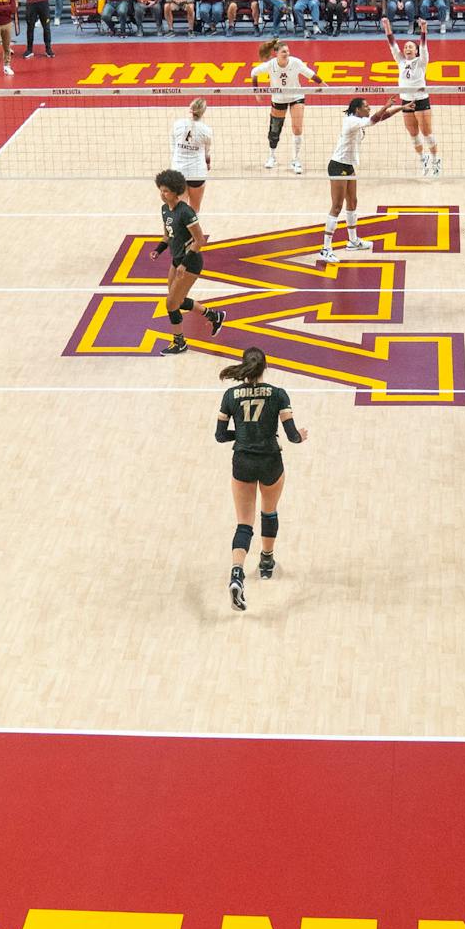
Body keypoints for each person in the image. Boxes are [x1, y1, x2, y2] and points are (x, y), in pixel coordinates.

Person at [215, 346, 305, 612]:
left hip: (242, 461)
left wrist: (242, 435)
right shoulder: (278, 395)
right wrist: (301, 434)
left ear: (244, 367)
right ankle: (266, 561)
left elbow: (220, 436)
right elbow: (292, 436)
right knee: (269, 512)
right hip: (270, 462)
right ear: (266, 367)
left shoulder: (230, 395)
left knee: (244, 524)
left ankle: (236, 574)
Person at [151, 167, 228, 356]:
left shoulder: (186, 212)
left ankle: (180, 343)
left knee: (171, 304)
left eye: (166, 191)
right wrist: (158, 250)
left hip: (190, 263)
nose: (162, 194)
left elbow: (199, 240)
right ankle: (213, 315)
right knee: (176, 300)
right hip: (176, 260)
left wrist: (184, 263)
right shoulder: (164, 210)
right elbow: (167, 235)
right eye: (161, 190)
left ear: (176, 191)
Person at [321, 95, 403, 263]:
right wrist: (385, 104)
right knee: (337, 207)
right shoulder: (351, 121)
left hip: (348, 166)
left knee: (352, 202)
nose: (369, 108)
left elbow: (380, 118)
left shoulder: (358, 119)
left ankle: (353, 241)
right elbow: (374, 119)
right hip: (338, 166)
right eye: (366, 106)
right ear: (357, 109)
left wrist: (401, 108)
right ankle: (325, 248)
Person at [250, 38, 317, 174]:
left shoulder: (295, 62)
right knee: (275, 129)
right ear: (276, 53)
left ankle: (296, 159)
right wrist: (256, 92)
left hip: (296, 97)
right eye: (283, 51)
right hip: (278, 98)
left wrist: (326, 87)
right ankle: (272, 156)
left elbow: (311, 75)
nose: (287, 53)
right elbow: (254, 73)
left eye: (288, 51)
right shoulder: (270, 65)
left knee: (297, 128)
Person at [382, 16, 438, 176]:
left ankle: (435, 160)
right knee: (413, 134)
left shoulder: (422, 61)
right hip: (405, 100)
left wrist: (424, 29)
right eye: (406, 46)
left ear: (416, 51)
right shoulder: (400, 61)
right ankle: (423, 160)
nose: (407, 48)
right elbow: (392, 44)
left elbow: (424, 46)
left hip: (421, 100)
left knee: (426, 133)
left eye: (410, 47)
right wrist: (387, 25)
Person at [170, 95, 215, 213]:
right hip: (197, 172)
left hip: (178, 171)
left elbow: (173, 148)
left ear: (190, 108)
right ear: (203, 112)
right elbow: (207, 153)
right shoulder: (206, 130)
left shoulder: (177, 124)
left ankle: (180, 231)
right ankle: (192, 231)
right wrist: (208, 164)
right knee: (194, 210)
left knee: (180, 210)